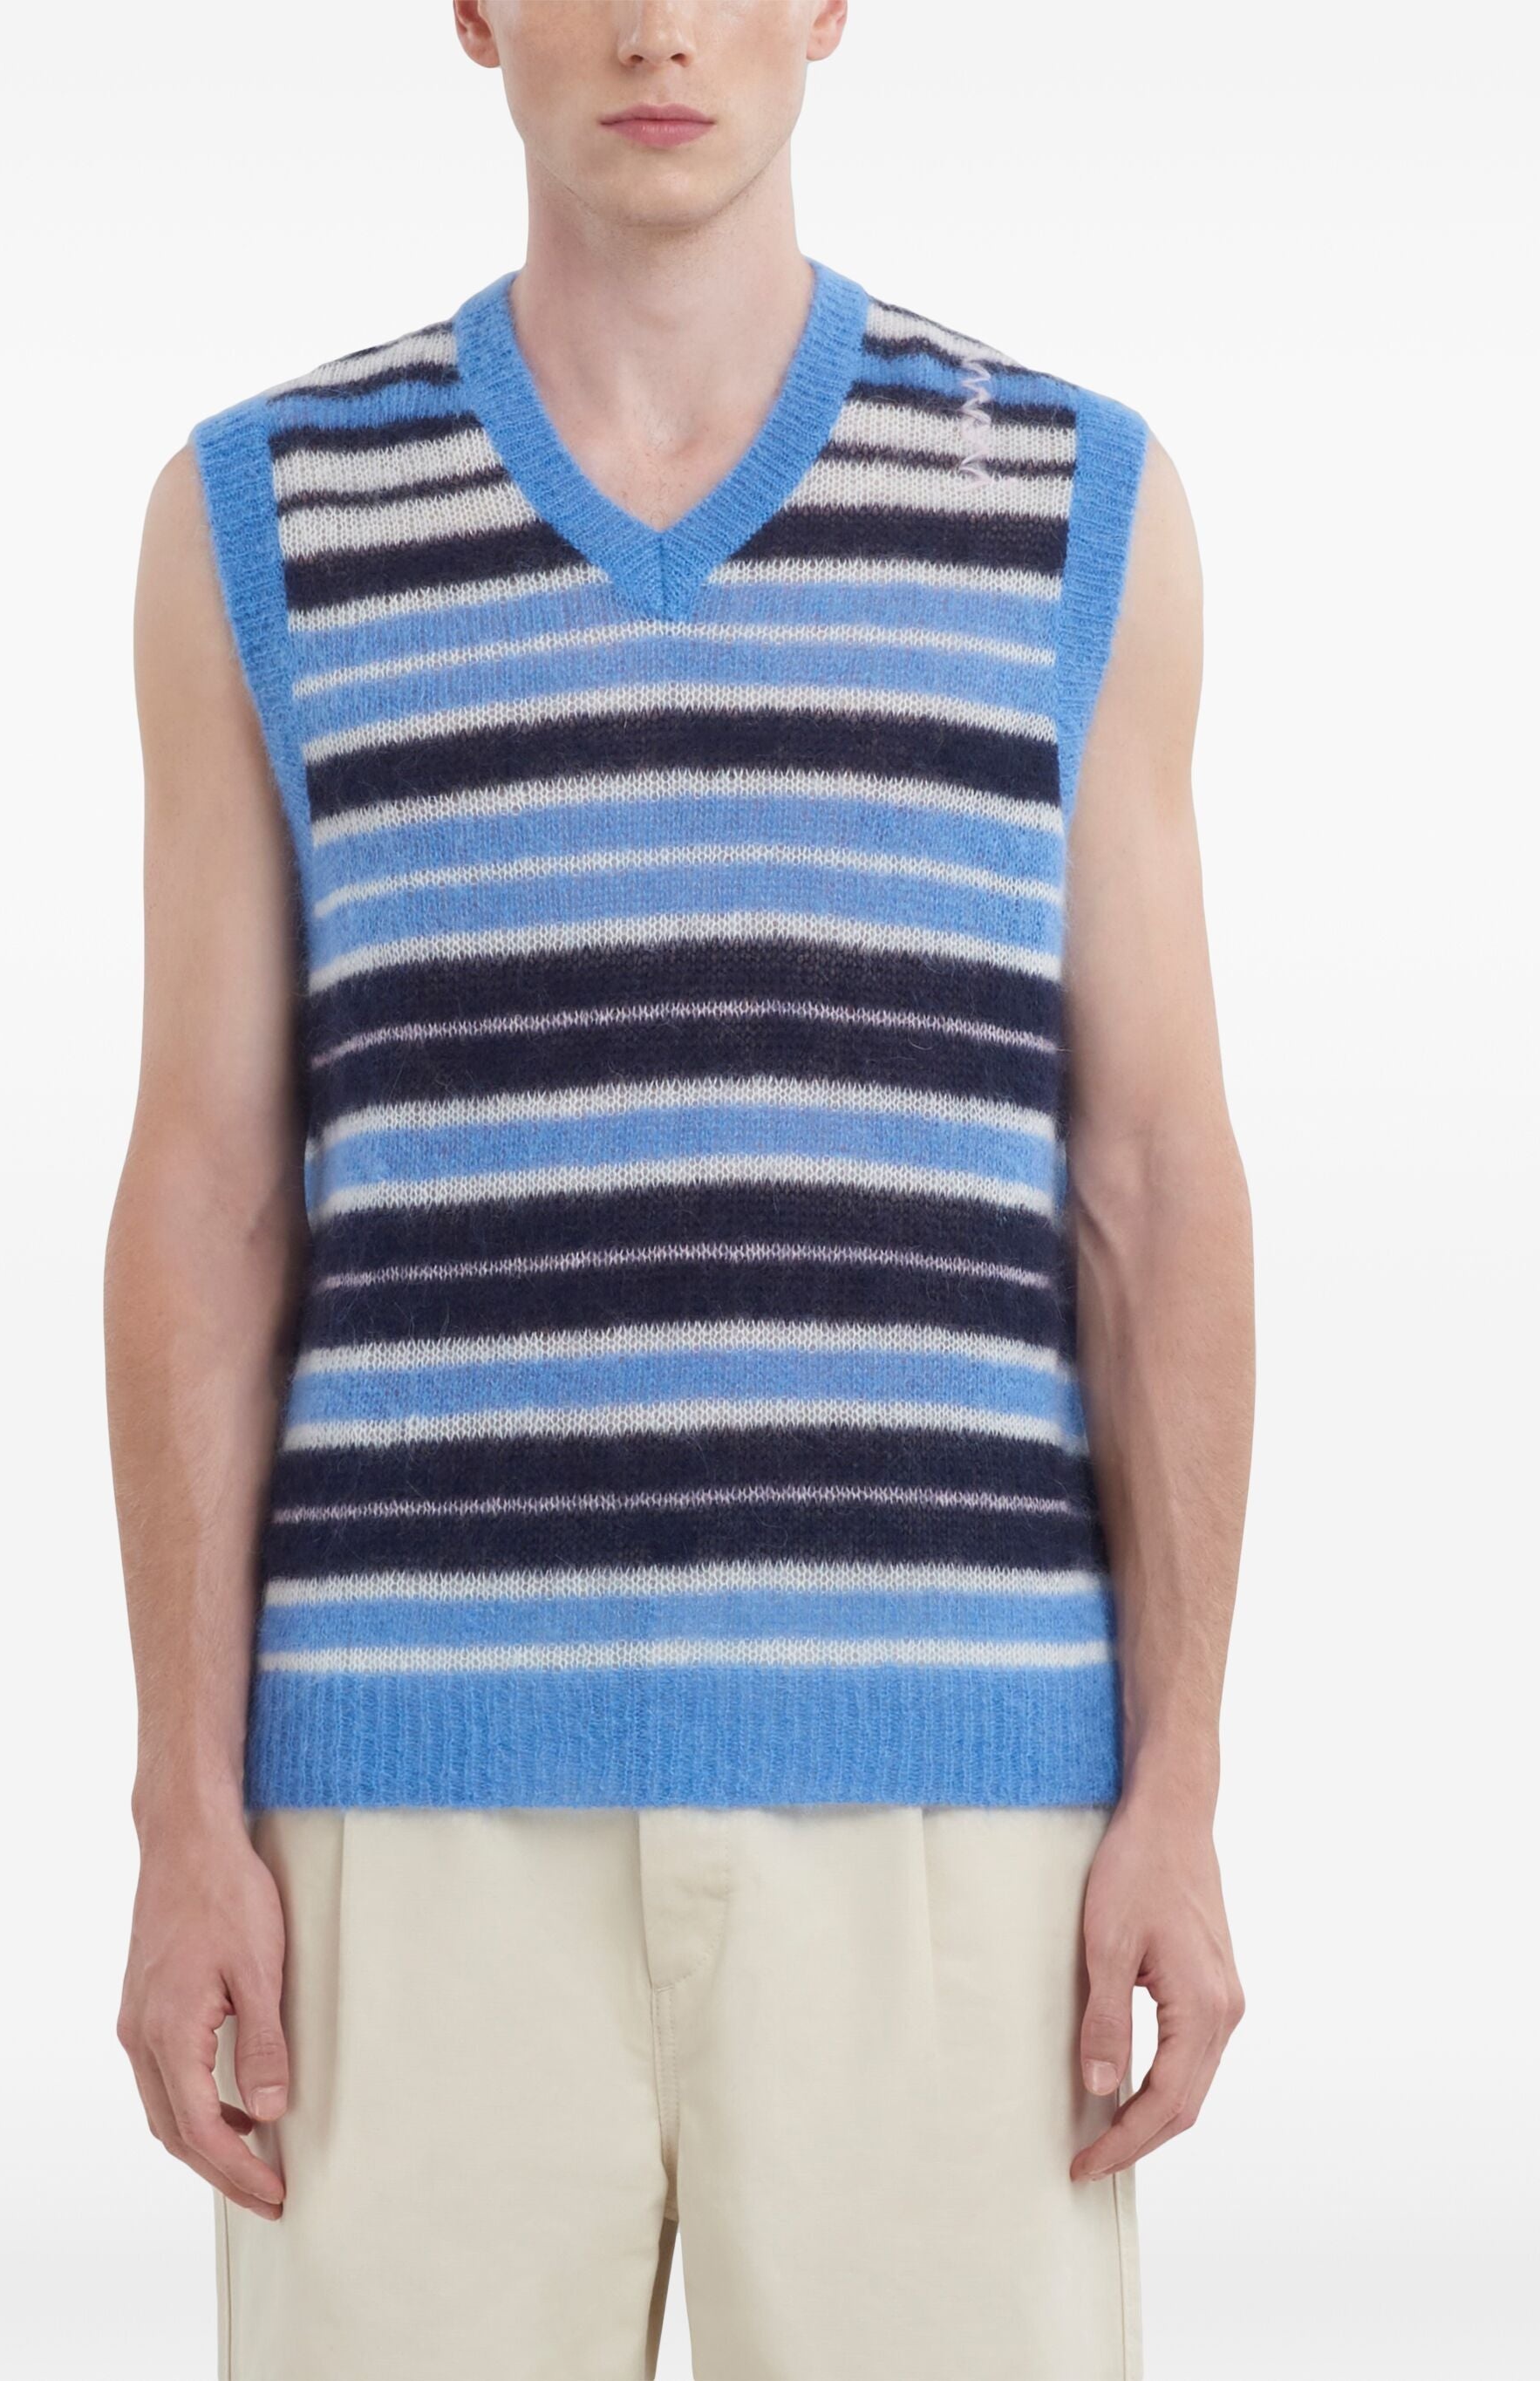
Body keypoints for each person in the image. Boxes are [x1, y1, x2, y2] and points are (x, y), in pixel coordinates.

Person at [106, 3, 1253, 2373]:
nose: (655, 25)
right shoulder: (265, 522)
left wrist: (1183, 1784)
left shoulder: (1072, 506)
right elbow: (209, 1192)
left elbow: (1150, 1178)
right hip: (404, 1816)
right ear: (470, 12)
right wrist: (184, 1813)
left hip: (952, 1814)